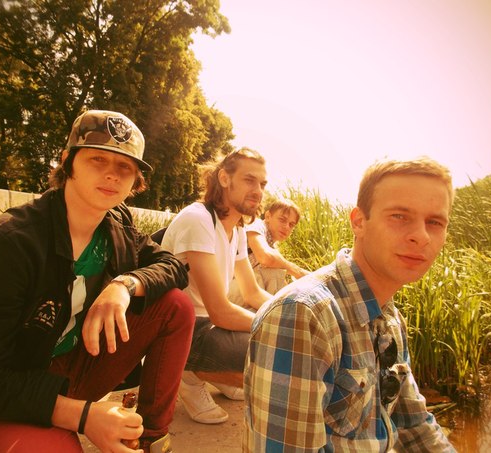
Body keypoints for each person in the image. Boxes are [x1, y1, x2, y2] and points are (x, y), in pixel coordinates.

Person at [0, 110, 195, 453]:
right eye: (98, 159)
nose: (112, 174)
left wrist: (124, 285)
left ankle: (148, 439)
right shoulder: (5, 246)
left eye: (125, 166)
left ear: (135, 181)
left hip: (72, 366)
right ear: (68, 160)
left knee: (175, 306)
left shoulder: (116, 226)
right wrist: (84, 417)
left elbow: (172, 265)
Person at [244, 157, 456, 452]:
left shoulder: (391, 319)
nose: (420, 236)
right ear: (358, 221)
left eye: (434, 222)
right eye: (399, 216)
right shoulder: (302, 315)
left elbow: (414, 424)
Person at [161, 148, 273, 425]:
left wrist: (293, 314)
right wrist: (279, 327)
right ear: (224, 178)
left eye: (262, 184)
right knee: (275, 352)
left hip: (208, 323)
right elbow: (220, 312)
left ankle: (215, 373)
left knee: (278, 333)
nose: (258, 191)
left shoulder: (236, 229)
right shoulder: (198, 219)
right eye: (249, 180)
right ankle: (188, 374)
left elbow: (252, 293)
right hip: (180, 332)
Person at [227, 197, 309, 306]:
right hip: (225, 291)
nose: (286, 227)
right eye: (282, 220)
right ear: (268, 216)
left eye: (291, 225)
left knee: (280, 280)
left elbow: (281, 283)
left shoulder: (272, 247)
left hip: (239, 291)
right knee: (273, 273)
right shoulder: (257, 225)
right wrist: (297, 271)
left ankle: (283, 308)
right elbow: (265, 257)